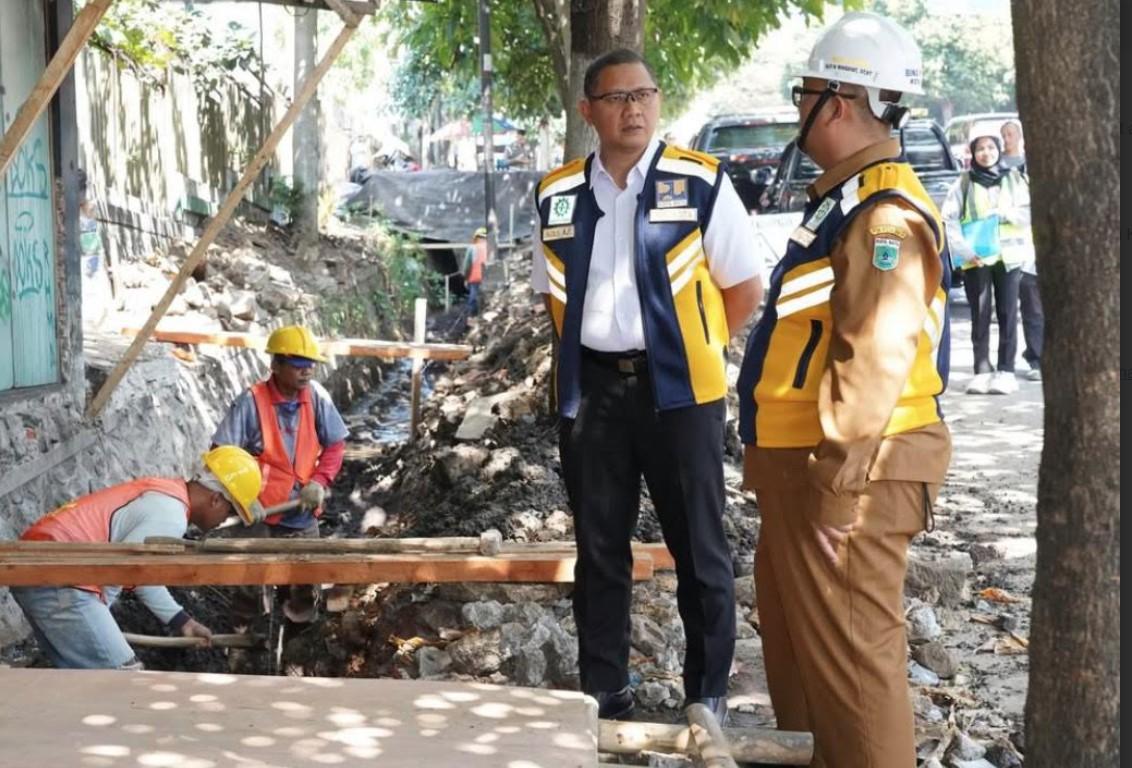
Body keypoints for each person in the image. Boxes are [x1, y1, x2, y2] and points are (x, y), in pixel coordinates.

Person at [735, 13, 952, 766]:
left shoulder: (883, 211)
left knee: (855, 674)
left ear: (836, 100)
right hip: (808, 469)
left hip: (850, 472)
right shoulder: (844, 198)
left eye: (804, 94)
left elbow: (876, 357)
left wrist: (835, 483)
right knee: (808, 669)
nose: (799, 109)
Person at [531, 48, 765, 725]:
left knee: (699, 546)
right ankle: (605, 690)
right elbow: (555, 296)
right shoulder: (557, 193)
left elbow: (743, 288)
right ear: (588, 111)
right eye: (617, 97)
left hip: (681, 393)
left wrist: (691, 344)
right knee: (599, 548)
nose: (634, 108)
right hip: (594, 393)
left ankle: (708, 693)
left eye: (645, 94)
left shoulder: (698, 182)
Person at [11, 446, 265, 670]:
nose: (225, 519)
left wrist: (182, 621)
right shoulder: (170, 516)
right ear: (216, 499)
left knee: (80, 680)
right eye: (230, 511)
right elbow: (129, 572)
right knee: (126, 682)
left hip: (43, 567)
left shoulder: (168, 492)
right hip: (62, 578)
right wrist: (101, 613)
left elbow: (136, 572)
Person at [211, 324, 349, 622]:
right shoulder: (251, 401)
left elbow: (336, 445)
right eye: (298, 364)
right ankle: (246, 643)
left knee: (304, 584)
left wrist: (319, 481)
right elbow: (221, 454)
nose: (307, 371)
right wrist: (243, 498)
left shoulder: (316, 398)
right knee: (248, 586)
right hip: (258, 514)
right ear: (275, 364)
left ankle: (298, 643)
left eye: (310, 364)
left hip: (301, 511)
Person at [942, 134, 1033, 394]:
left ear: (999, 150)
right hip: (976, 258)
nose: (986, 153)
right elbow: (949, 218)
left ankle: (1006, 370)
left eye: (991, 147)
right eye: (980, 148)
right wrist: (964, 251)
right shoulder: (963, 182)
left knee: (1007, 313)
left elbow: (1029, 212)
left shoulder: (1015, 178)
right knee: (979, 314)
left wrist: (1005, 213)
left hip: (1009, 256)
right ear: (973, 153)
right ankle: (981, 370)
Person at [463, 227, 488, 315]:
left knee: (473, 298)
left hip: (475, 277)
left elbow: (467, 265)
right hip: (490, 279)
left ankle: (472, 317)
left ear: (476, 237)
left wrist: (465, 278)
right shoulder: (491, 248)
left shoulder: (472, 248)